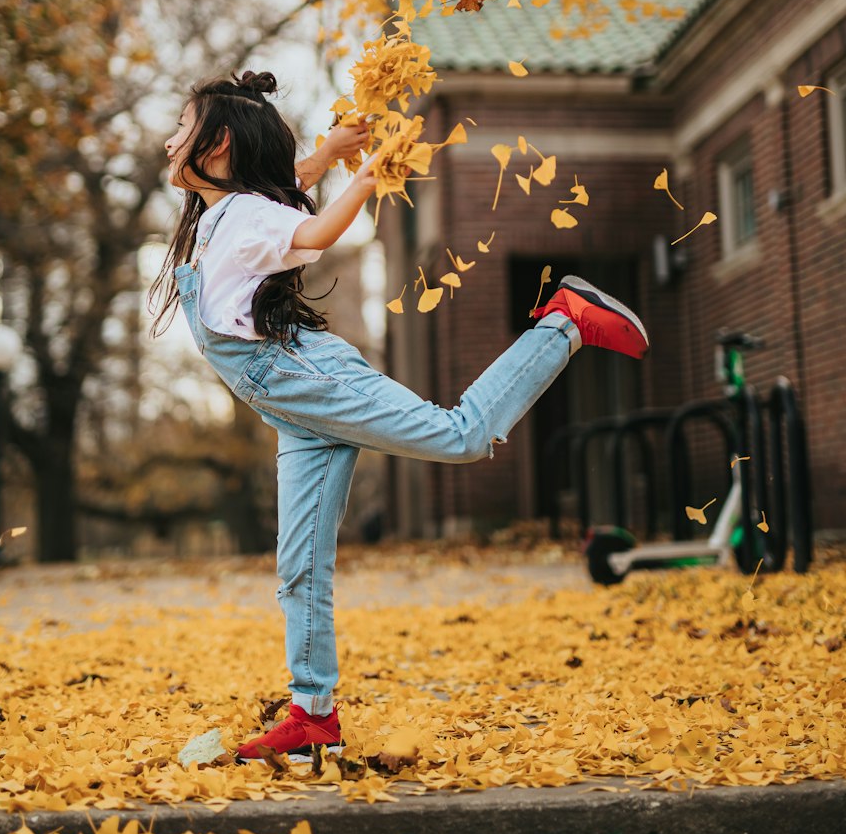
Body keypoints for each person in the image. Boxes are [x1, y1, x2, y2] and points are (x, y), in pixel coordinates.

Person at [149, 69, 649, 762]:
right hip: (293, 411)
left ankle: (565, 322)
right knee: (299, 568)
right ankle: (313, 715)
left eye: (180, 127)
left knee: (461, 436)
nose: (168, 141)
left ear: (216, 144)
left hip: (307, 379)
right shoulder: (228, 213)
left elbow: (316, 227)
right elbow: (281, 190)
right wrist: (325, 157)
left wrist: (367, 176)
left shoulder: (248, 217)